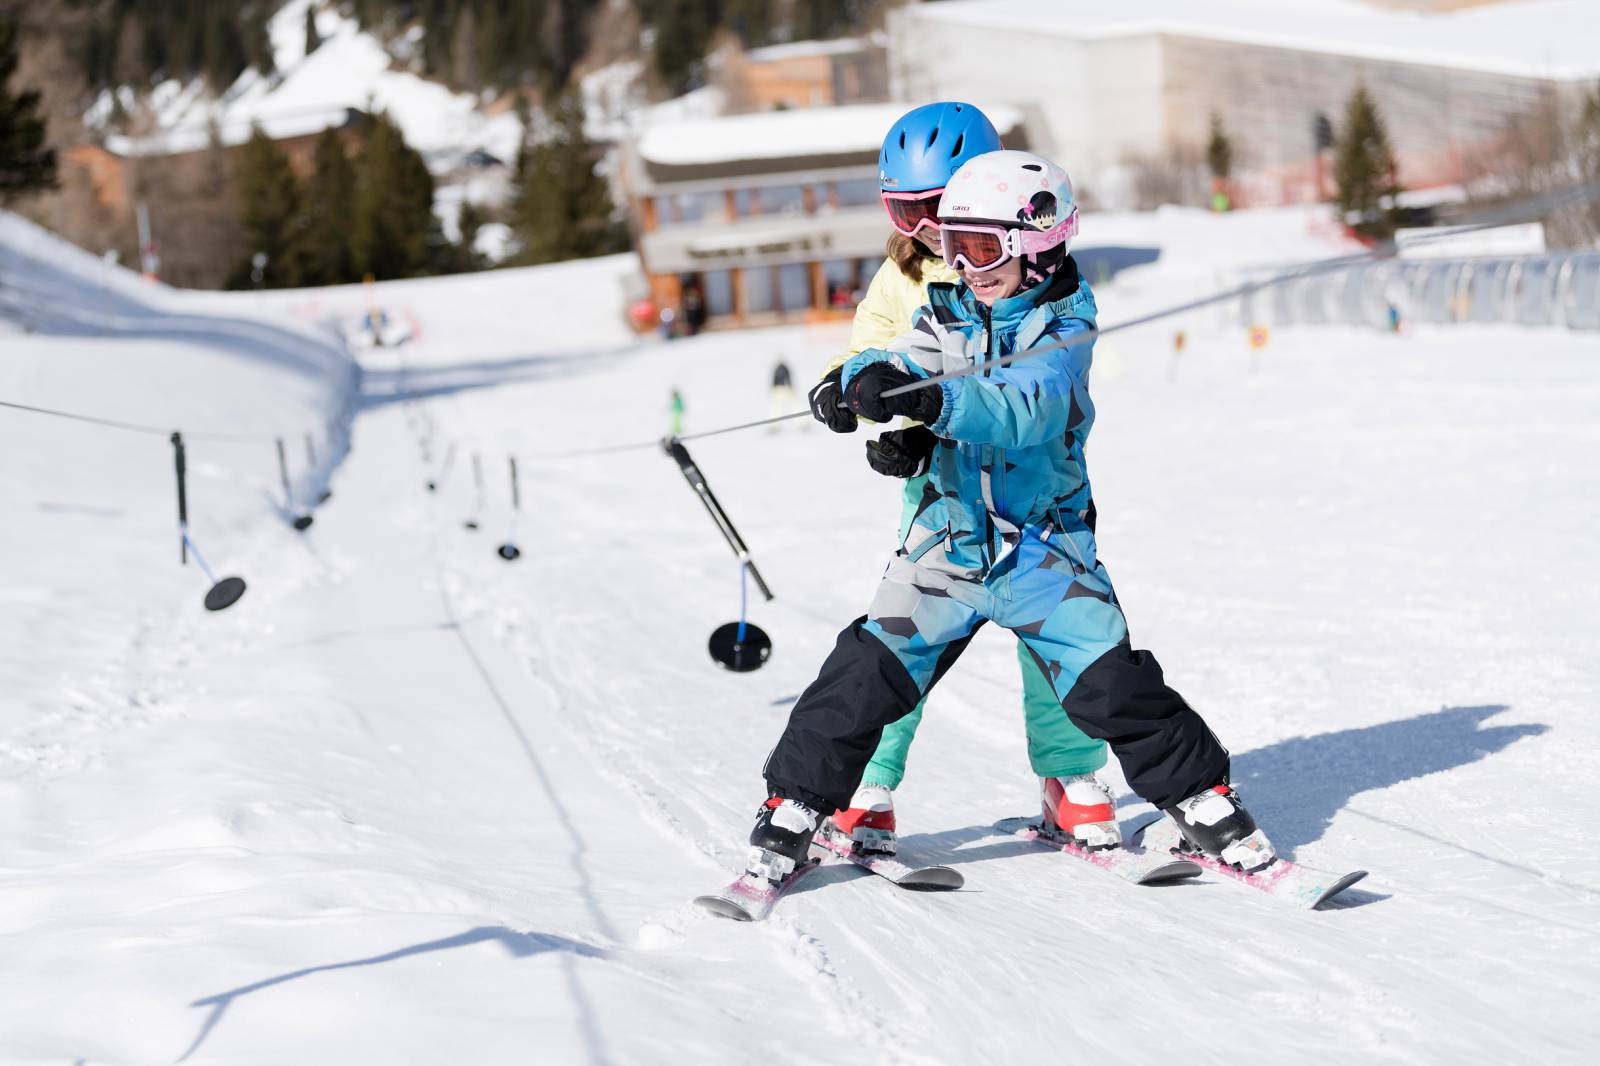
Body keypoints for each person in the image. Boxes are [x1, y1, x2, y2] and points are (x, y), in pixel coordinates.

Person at [745, 149, 1278, 887]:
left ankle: (1206, 802)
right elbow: (909, 360)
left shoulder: (1067, 326)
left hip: (1044, 554)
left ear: (1037, 240)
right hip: (947, 547)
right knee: (863, 673)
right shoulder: (947, 308)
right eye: (955, 247)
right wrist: (857, 388)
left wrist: (934, 404)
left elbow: (1025, 407)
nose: (968, 265)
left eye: (984, 247)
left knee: (1111, 684)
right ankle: (796, 809)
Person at [806, 103, 1114, 858]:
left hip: (1039, 493)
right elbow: (877, 351)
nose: (921, 232)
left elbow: (1043, 383)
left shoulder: (1032, 270)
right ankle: (865, 786)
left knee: (1060, 631)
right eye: (902, 211)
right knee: (901, 635)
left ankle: (1069, 779)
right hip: (944, 497)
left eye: (932, 210)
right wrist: (852, 395)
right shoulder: (904, 273)